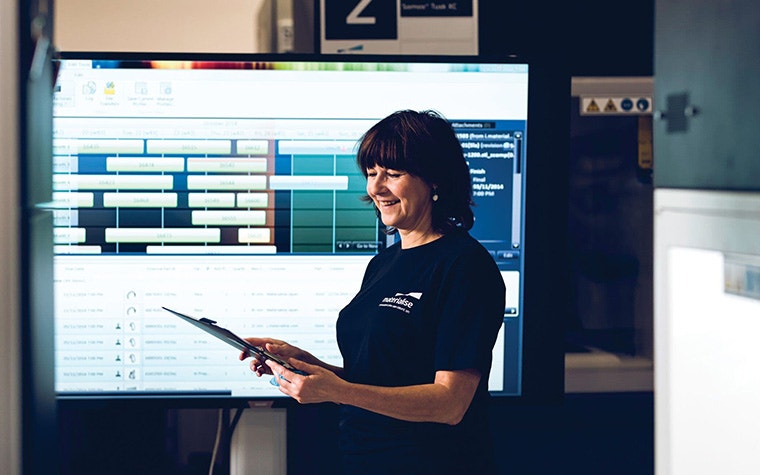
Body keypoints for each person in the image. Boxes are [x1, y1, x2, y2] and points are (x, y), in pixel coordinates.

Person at [240, 109, 506, 474]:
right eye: (371, 173)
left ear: (435, 180)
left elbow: (450, 404)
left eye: (393, 174)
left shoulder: (464, 265)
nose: (376, 188)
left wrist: (336, 391)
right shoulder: (383, 264)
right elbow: (380, 380)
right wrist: (308, 365)